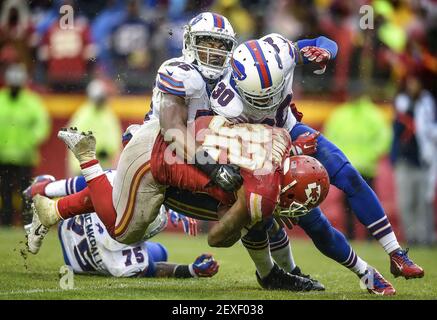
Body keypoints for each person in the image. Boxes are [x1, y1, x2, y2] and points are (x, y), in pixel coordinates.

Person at [29, 115, 394, 294]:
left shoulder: (282, 144)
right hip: (152, 160)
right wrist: (246, 212)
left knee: (253, 220)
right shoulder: (265, 190)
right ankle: (87, 159)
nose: (293, 216)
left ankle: (51, 209)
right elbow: (217, 239)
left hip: (177, 148)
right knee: (124, 230)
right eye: (290, 207)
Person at [209, 36, 424, 280]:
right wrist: (293, 151)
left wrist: (325, 52)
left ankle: (396, 253)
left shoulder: (283, 52)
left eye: (273, 93)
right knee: (315, 223)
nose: (267, 102)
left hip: (290, 130)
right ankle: (365, 273)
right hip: (262, 158)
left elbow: (325, 41)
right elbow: (242, 156)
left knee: (349, 176)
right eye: (259, 99)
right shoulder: (224, 103)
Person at [24, 172, 218, 279]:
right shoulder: (128, 263)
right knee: (161, 252)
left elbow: (85, 182)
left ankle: (46, 188)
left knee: (99, 183)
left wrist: (46, 188)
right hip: (78, 263)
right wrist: (191, 270)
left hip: (69, 228)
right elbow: (154, 269)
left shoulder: (112, 197)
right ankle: (47, 191)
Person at [324, 93, 391, 240]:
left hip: (357, 167)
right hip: (350, 168)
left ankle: (366, 237)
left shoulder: (343, 114)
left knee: (361, 204)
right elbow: (329, 138)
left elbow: (384, 137)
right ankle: (357, 236)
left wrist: (370, 155)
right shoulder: (371, 113)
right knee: (358, 204)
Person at [0, 64, 50, 225]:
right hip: (4, 156)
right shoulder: (1, 99)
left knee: (25, 192)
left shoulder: (31, 102)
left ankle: (26, 222)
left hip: (25, 157)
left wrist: (30, 141)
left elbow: (42, 124)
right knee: (5, 192)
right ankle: (6, 222)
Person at [391, 73, 437, 246]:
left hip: (423, 159)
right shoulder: (401, 103)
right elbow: (396, 133)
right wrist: (394, 157)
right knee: (406, 203)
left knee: (423, 202)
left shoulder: (427, 103)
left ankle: (426, 237)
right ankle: (412, 237)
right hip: (405, 160)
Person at [67, 79, 122, 175]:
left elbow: (114, 138)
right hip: (84, 168)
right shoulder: (84, 115)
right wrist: (101, 150)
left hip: (102, 167)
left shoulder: (107, 114)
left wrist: (107, 151)